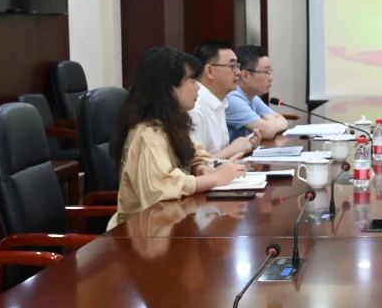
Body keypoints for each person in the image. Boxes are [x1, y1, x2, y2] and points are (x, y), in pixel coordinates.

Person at [107, 47, 247, 230]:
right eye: (192, 80)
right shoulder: (148, 133)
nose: (198, 87)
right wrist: (215, 179)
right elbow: (162, 187)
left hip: (169, 224)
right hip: (138, 235)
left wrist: (201, 168)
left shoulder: (172, 123)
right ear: (168, 88)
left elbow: (194, 153)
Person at [188, 41, 257, 159]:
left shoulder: (220, 101)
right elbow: (195, 165)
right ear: (209, 71)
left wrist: (246, 146)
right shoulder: (195, 108)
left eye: (237, 66)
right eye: (232, 66)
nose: (238, 72)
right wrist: (233, 149)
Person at [228, 44, 290, 141]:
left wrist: (271, 125)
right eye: (266, 72)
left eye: (270, 71)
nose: (271, 78)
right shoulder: (232, 99)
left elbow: (282, 120)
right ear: (245, 75)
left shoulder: (252, 96)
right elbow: (268, 132)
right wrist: (271, 124)